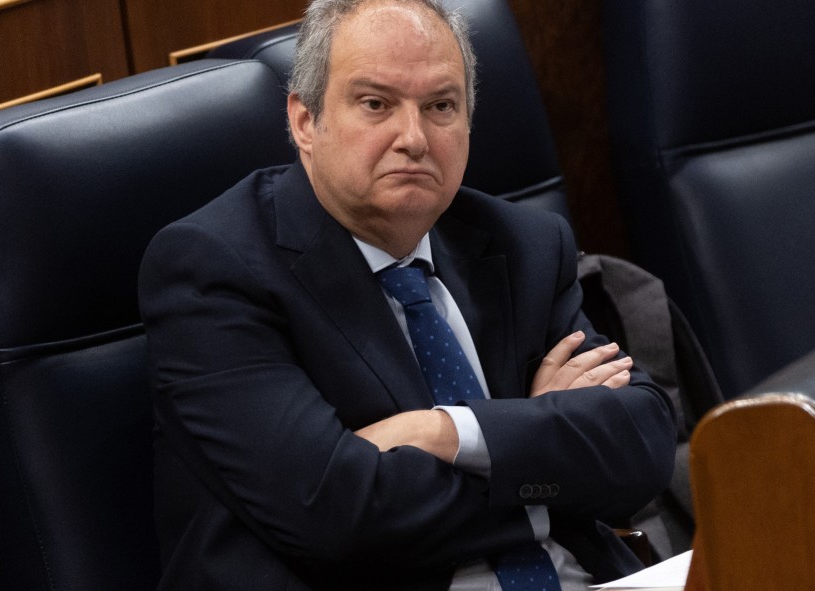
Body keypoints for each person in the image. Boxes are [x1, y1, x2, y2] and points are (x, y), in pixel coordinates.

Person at [138, 0, 677, 588]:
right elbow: (341, 516)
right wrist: (538, 446)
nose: (414, 138)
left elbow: (642, 446)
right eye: (376, 104)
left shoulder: (522, 243)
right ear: (304, 121)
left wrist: (444, 432)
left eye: (441, 106)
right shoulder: (215, 268)